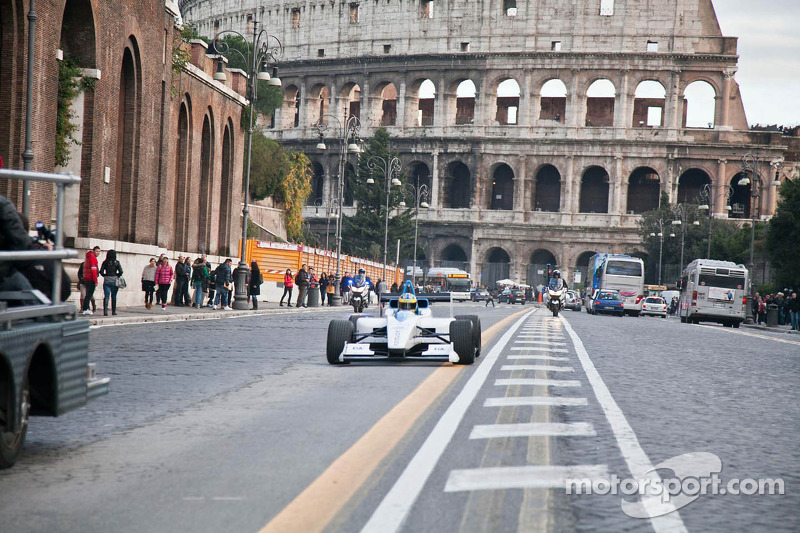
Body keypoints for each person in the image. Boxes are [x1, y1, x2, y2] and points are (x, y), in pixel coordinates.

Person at [99, 249, 123, 316]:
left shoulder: (105, 262)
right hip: (114, 280)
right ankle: (113, 311)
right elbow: (121, 271)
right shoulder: (117, 262)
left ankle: (105, 311)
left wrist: (104, 275)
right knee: (114, 296)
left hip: (107, 280)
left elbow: (101, 271)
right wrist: (117, 275)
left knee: (106, 296)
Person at [81, 246, 101, 315]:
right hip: (91, 279)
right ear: (94, 251)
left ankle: (86, 308)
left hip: (86, 278)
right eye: (97, 251)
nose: (98, 253)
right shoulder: (93, 258)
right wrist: (95, 281)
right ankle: (85, 309)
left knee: (88, 294)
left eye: (99, 251)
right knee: (89, 295)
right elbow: (94, 270)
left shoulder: (88, 257)